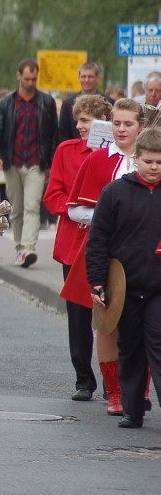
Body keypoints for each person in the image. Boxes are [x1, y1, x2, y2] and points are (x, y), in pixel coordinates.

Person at [61, 98, 145, 416]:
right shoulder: (98, 160)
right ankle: (115, 393)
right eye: (117, 124)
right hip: (105, 250)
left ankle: (138, 389)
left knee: (143, 324)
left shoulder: (150, 158)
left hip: (143, 252)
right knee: (107, 324)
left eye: (128, 124)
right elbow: (75, 208)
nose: (122, 130)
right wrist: (108, 214)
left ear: (141, 127)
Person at [86, 127, 161, 428]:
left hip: (158, 288)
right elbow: (98, 239)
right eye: (149, 161)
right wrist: (97, 281)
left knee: (157, 341)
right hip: (125, 285)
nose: (155, 167)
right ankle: (132, 409)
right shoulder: (115, 192)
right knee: (129, 347)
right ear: (136, 159)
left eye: (160, 162)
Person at [43, 95, 112, 402]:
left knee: (113, 314)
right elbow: (52, 194)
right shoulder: (66, 150)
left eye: (87, 121)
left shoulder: (115, 155)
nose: (80, 126)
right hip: (75, 241)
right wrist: (72, 210)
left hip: (111, 244)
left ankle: (116, 382)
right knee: (79, 314)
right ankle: (83, 378)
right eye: (79, 120)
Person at [0, 58, 58, 268]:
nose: (30, 82)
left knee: (32, 206)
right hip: (12, 162)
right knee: (17, 208)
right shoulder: (6, 103)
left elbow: (53, 134)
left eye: (34, 79)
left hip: (37, 162)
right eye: (27, 78)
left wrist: (52, 161)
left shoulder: (46, 102)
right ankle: (19, 248)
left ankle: (29, 248)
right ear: (19, 76)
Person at [57, 62, 112, 144]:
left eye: (90, 77)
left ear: (97, 78)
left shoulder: (108, 102)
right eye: (83, 77)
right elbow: (63, 133)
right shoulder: (68, 104)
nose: (86, 80)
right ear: (78, 78)